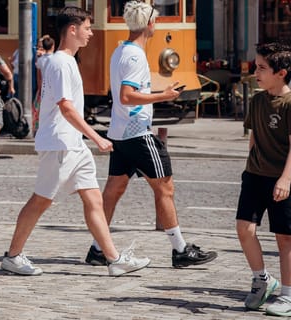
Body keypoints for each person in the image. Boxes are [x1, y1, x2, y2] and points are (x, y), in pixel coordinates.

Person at [0, 7, 150, 277]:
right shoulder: (59, 62)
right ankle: (13, 256)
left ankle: (114, 259)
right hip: (59, 143)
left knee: (93, 199)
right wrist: (96, 137)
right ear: (72, 30)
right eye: (88, 28)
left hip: (73, 144)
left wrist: (87, 139)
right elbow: (66, 108)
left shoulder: (66, 62)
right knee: (41, 201)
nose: (91, 33)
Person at [90, 1, 217, 269]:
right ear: (150, 24)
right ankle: (180, 249)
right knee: (165, 187)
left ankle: (98, 248)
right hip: (137, 132)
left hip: (120, 132)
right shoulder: (135, 55)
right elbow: (126, 96)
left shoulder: (121, 50)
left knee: (114, 189)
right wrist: (164, 95)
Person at [235, 42, 291, 315]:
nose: (255, 72)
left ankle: (289, 296)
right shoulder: (257, 100)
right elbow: (254, 137)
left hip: (282, 179)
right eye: (256, 66)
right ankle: (261, 280)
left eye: (262, 68)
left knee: (285, 239)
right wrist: (250, 167)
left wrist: (285, 180)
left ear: (281, 73)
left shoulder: (290, 103)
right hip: (255, 176)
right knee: (244, 229)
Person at [33, 35, 55, 137]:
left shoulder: (40, 60)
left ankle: (39, 129)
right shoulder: (55, 59)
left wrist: (40, 88)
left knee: (40, 110)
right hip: (53, 88)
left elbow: (39, 77)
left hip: (43, 87)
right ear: (53, 46)